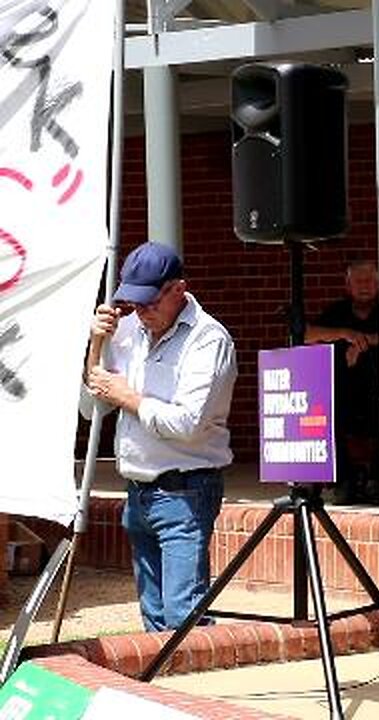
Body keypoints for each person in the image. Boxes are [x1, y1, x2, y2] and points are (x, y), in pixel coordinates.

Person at [83, 242, 237, 632]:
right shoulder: (127, 329)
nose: (141, 312)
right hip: (137, 491)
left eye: (149, 303)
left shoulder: (208, 339)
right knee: (153, 619)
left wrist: (128, 398)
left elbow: (187, 424)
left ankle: (198, 673)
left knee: (183, 617)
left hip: (186, 491)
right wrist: (96, 344)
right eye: (133, 304)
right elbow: (91, 408)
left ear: (178, 289)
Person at [305, 260, 379, 505]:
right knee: (325, 412)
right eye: (358, 281)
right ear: (348, 286)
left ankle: (378, 480)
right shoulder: (338, 312)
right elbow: (306, 335)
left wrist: (363, 341)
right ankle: (343, 480)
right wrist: (344, 333)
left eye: (369, 281)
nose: (364, 286)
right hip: (343, 391)